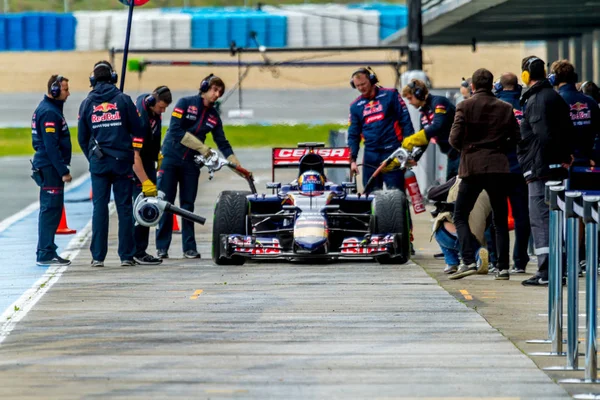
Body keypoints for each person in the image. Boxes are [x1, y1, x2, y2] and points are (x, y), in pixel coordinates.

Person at [155, 73, 247, 259]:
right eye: (214, 90)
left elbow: (222, 142)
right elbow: (175, 130)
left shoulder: (213, 116)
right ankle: (162, 247)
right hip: (171, 158)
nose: (216, 95)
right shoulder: (184, 103)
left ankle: (189, 248)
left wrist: (237, 165)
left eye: (219, 92)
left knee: (188, 205)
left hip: (191, 164)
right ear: (204, 87)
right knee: (166, 203)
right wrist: (203, 148)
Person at [448, 68, 520, 281]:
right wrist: (498, 147)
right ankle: (503, 268)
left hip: (472, 167)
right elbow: (516, 137)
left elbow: (454, 138)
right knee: (499, 219)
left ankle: (468, 259)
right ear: (491, 85)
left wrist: (468, 149)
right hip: (498, 166)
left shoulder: (464, 106)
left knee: (460, 214)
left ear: (472, 86)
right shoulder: (505, 108)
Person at [78, 61, 145, 268]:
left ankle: (98, 256)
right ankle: (126, 255)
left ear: (93, 80)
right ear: (113, 78)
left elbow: (82, 137)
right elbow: (139, 128)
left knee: (99, 208)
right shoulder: (124, 100)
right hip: (121, 162)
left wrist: (93, 157)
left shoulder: (87, 103)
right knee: (124, 208)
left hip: (99, 163)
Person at [518, 56, 573, 286]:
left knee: (540, 220)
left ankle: (546, 271)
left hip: (541, 169)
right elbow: (567, 129)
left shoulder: (537, 99)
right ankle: (554, 268)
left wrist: (556, 158)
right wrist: (565, 156)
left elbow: (543, 135)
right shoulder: (554, 96)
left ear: (526, 75)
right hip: (551, 167)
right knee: (553, 220)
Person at [347, 66, 415, 190]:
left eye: (363, 84)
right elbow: (353, 135)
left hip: (393, 152)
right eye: (357, 86)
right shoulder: (355, 106)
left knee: (397, 194)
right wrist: (352, 160)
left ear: (372, 80)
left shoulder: (391, 95)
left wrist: (408, 151)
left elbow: (406, 122)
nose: (361, 88)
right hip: (370, 156)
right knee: (370, 196)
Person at [31, 74, 73, 266]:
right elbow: (50, 146)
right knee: (50, 210)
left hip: (48, 166)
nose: (68, 93)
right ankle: (45, 253)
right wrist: (63, 170)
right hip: (50, 168)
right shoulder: (49, 112)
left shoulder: (51, 109)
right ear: (54, 90)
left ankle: (46, 250)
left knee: (52, 209)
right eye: (65, 89)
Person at [493, 72, 531, 274]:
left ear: (499, 87)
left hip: (498, 168)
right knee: (522, 215)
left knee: (498, 217)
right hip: (521, 169)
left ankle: (499, 262)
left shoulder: (494, 105)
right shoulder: (526, 103)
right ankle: (520, 260)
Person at [131, 86, 173, 265]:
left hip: (149, 162)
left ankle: (138, 250)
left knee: (149, 207)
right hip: (138, 166)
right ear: (152, 102)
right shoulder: (140, 118)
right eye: (161, 107)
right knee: (142, 208)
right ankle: (136, 251)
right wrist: (145, 181)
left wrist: (157, 154)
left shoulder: (154, 111)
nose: (163, 111)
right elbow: (135, 155)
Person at [401, 79, 459, 181]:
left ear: (418, 94)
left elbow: (438, 125)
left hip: (462, 152)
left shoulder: (439, 102)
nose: (409, 102)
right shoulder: (424, 114)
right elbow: (424, 140)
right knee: (450, 188)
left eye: (410, 98)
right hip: (451, 155)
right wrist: (414, 158)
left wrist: (413, 138)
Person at [431, 176, 489, 276]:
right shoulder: (494, 185)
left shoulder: (458, 180)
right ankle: (479, 254)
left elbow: (432, 194)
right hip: (478, 235)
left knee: (440, 221)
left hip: (452, 236)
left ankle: (451, 263)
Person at [549, 60, 600, 167]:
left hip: (563, 165)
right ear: (574, 77)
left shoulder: (553, 102)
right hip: (588, 163)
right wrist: (595, 157)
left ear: (554, 79)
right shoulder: (591, 102)